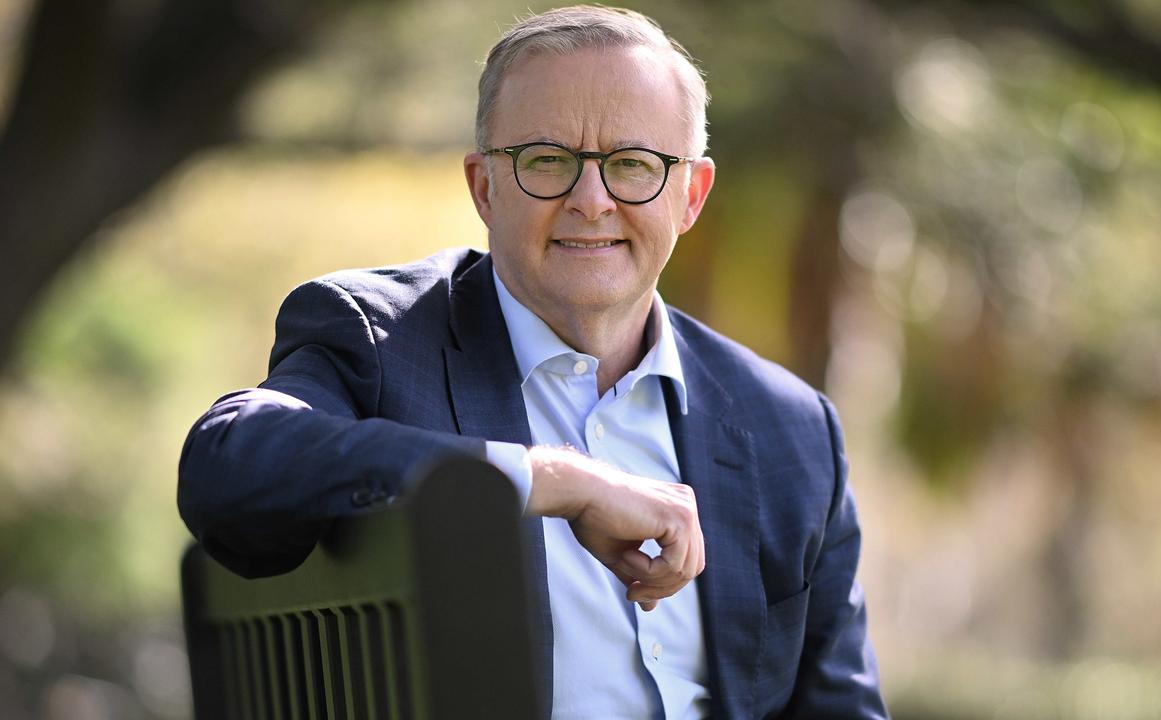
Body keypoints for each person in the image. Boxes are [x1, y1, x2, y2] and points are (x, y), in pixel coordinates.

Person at [177, 5, 889, 718]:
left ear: (690, 196)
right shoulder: (380, 343)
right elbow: (228, 462)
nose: (591, 201)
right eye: (547, 161)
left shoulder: (791, 430)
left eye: (633, 165)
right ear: (484, 187)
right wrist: (550, 478)